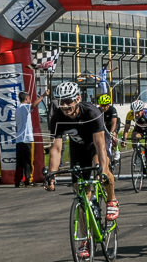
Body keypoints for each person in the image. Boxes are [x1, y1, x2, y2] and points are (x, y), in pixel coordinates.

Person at [43, 81, 118, 221]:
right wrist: (51, 174)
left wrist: (102, 170)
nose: (64, 106)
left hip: (96, 144)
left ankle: (111, 200)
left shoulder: (91, 113)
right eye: (61, 102)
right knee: (81, 193)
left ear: (78, 99)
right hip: (78, 146)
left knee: (103, 168)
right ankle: (85, 239)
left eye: (68, 101)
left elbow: (100, 145)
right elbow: (56, 148)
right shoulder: (57, 118)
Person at [15, 88, 46, 187]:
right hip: (27, 139)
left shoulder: (18, 109)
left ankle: (18, 180)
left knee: (20, 162)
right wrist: (43, 96)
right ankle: (29, 179)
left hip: (19, 139)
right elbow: (33, 105)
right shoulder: (25, 107)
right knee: (29, 161)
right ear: (27, 98)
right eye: (29, 98)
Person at [121, 99, 147, 180]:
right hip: (140, 129)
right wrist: (124, 139)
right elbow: (126, 129)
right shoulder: (130, 114)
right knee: (134, 136)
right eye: (134, 112)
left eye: (138, 112)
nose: (136, 114)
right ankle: (138, 154)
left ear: (142, 110)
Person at [96, 93, 121, 165]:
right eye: (101, 105)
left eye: (105, 106)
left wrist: (112, 132)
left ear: (108, 105)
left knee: (113, 136)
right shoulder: (98, 110)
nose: (103, 107)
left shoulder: (112, 110)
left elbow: (114, 123)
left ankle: (116, 150)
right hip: (104, 125)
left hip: (113, 124)